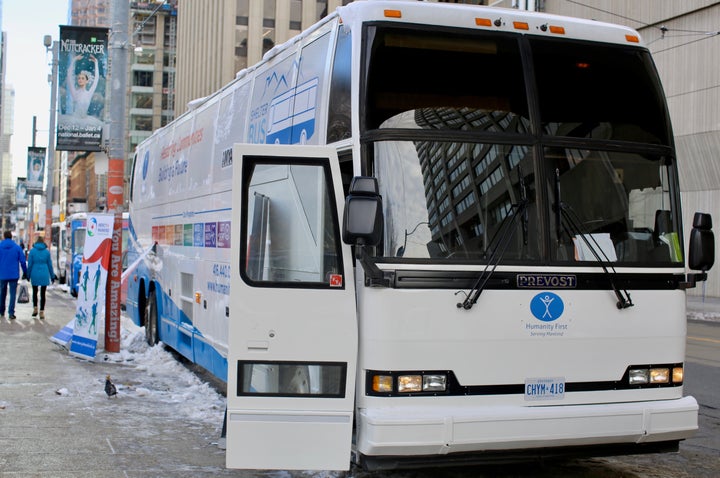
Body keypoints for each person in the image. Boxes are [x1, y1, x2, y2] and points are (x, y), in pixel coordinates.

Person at [0, 231, 28, 320]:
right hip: (13, 274)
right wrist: (25, 272)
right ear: (11, 237)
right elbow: (23, 261)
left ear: (4, 237)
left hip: (2, 274)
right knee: (12, 294)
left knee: (2, 293)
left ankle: (1, 311)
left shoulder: (0, 247)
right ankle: (11, 313)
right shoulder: (17, 248)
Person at [27, 236, 56, 320]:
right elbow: (50, 265)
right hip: (44, 272)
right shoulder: (47, 252)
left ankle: (35, 308)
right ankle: (42, 311)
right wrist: (52, 276)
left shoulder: (32, 251)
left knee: (34, 292)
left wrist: (28, 275)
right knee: (43, 293)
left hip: (34, 272)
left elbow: (30, 265)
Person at [67, 54, 99, 118]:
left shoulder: (89, 93)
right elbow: (69, 76)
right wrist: (74, 60)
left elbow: (96, 79)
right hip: (74, 120)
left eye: (82, 78)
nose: (80, 80)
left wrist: (96, 63)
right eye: (79, 78)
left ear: (87, 81)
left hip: (85, 121)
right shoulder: (75, 93)